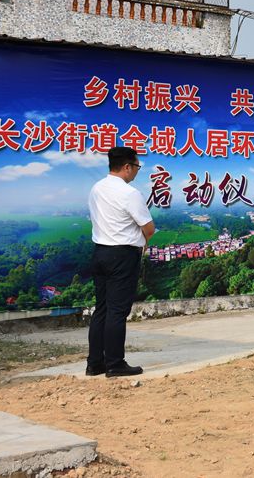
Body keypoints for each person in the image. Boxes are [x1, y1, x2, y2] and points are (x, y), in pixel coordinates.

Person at [86, 146, 154, 378]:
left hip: (100, 253)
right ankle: (115, 363)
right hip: (122, 256)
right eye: (136, 166)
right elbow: (149, 227)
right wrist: (141, 242)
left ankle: (95, 363)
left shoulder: (96, 188)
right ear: (127, 167)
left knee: (102, 309)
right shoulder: (130, 193)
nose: (136, 171)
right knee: (117, 311)